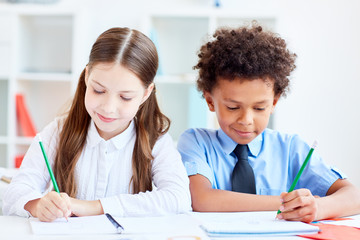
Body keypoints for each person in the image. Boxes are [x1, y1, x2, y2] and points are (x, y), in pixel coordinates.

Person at [177, 22, 360, 223]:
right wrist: (284, 203)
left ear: (273, 102)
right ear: (210, 101)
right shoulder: (196, 142)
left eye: (259, 108)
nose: (246, 120)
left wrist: (317, 206)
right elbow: (202, 200)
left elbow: (354, 197)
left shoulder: (290, 148)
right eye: (233, 107)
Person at [3, 27, 191, 222]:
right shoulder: (58, 132)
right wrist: (37, 205)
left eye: (125, 97)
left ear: (146, 93)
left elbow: (179, 198)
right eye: (98, 91)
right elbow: (15, 192)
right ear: (87, 77)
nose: (108, 108)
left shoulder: (156, 140)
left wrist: (93, 207)